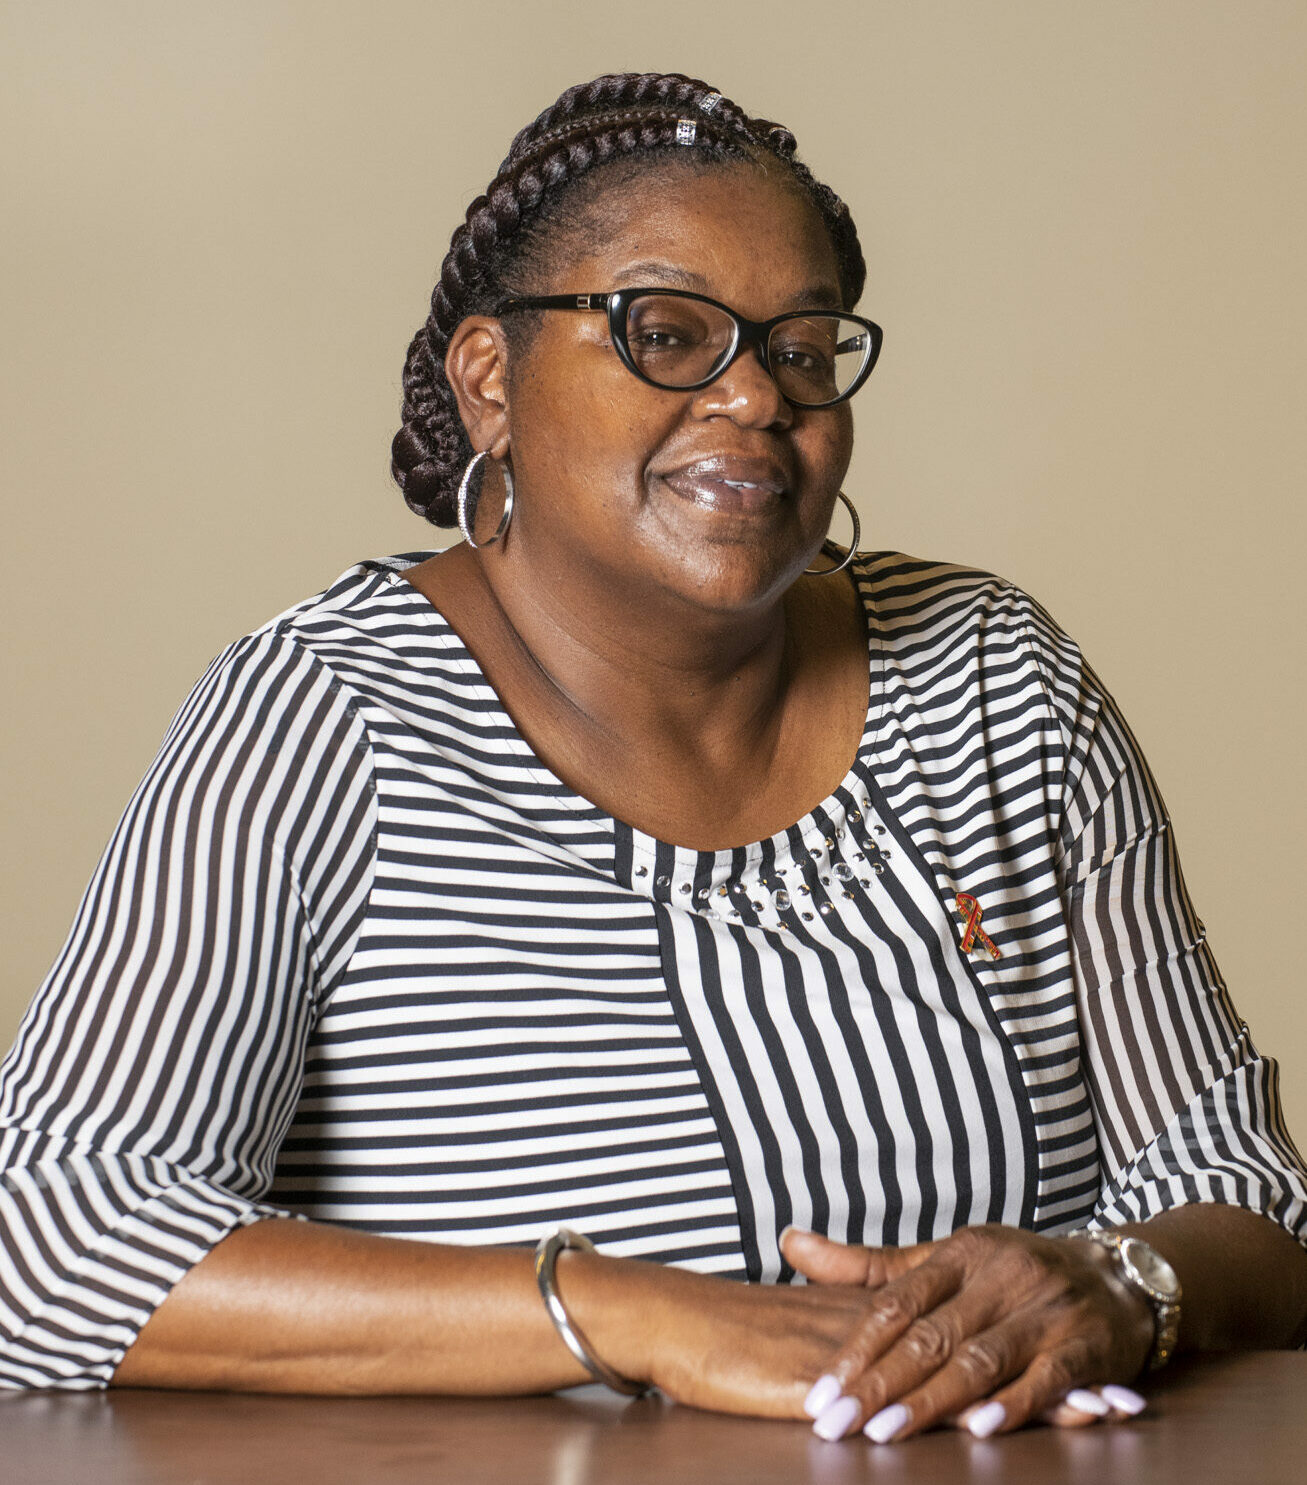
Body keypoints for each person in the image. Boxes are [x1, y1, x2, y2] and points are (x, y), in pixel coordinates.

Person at [1, 71, 1304, 1446]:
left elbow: (1251, 1196)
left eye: (803, 350)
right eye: (667, 334)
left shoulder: (998, 683)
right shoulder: (320, 717)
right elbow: (48, 1237)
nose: (754, 395)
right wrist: (636, 1315)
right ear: (490, 383)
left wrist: (1124, 1282)